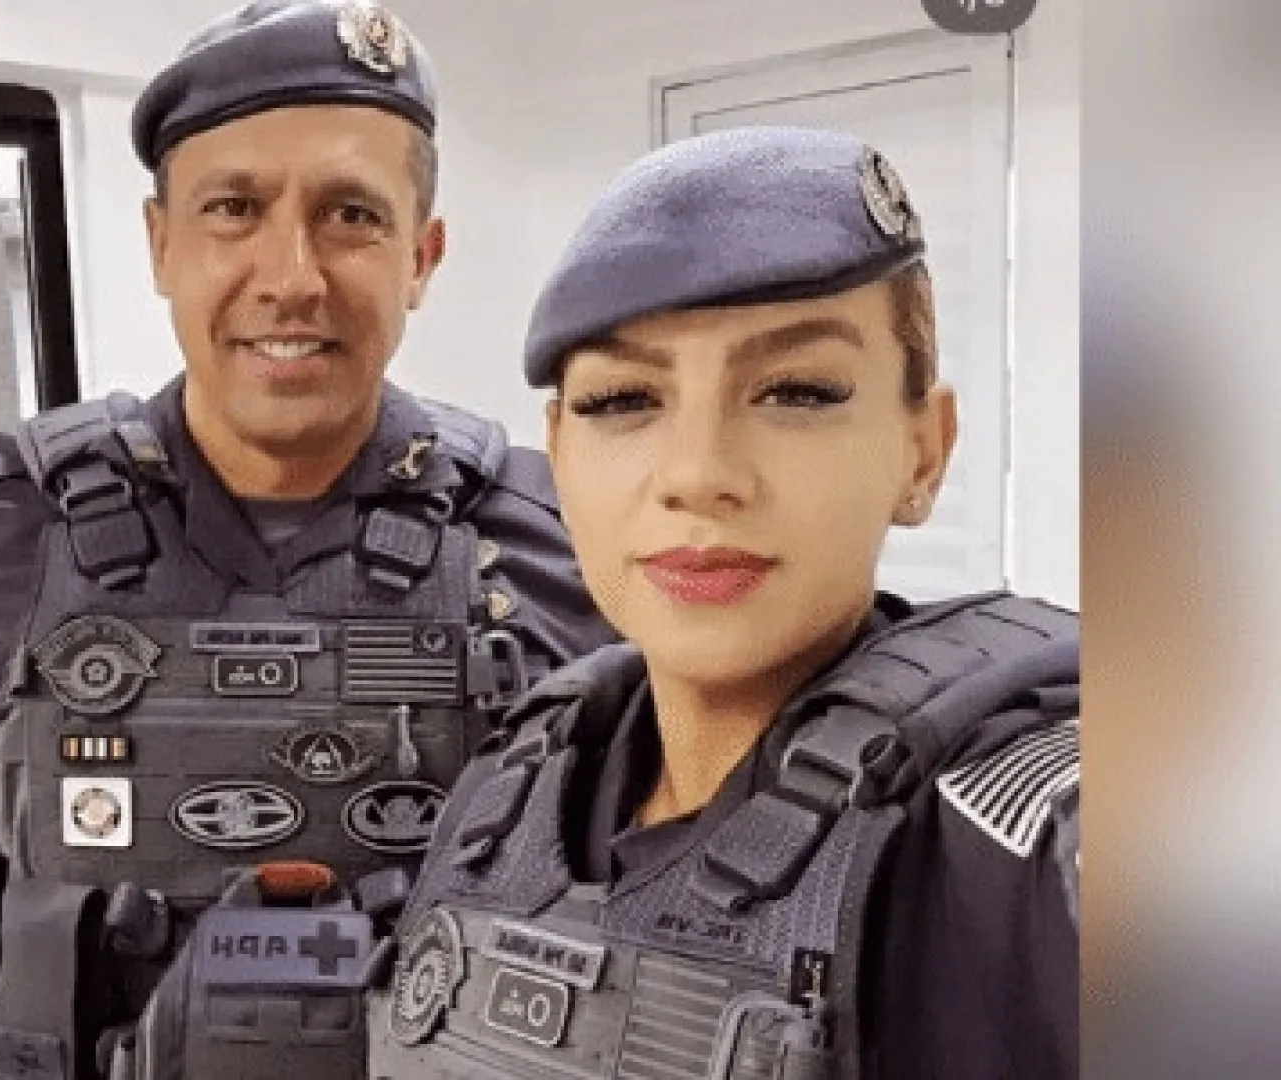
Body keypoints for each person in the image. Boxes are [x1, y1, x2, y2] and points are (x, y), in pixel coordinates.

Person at [0, 3, 618, 1078]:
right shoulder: (1, 532)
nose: (292, 277)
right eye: (234, 208)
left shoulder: (570, 547)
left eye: (351, 216)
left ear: (422, 256)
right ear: (162, 244)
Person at [367, 127, 1080, 1079]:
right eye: (623, 400)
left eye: (797, 391)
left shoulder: (1018, 849)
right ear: (560, 455)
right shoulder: (508, 789)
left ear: (924, 452)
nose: (699, 473)